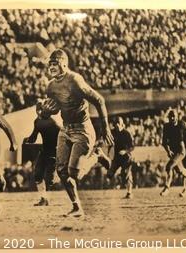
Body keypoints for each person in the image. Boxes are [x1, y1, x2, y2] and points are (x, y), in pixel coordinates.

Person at [42, 48, 114, 217]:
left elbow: (99, 100)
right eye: (49, 64)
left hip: (83, 128)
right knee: (62, 172)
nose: (51, 67)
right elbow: (53, 109)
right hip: (66, 129)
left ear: (64, 63)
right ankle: (77, 207)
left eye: (55, 63)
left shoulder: (75, 80)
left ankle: (96, 155)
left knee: (75, 173)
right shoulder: (51, 86)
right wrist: (44, 113)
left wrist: (106, 128)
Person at [23, 100, 60, 206]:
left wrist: (60, 150)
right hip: (44, 151)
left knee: (50, 179)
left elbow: (61, 135)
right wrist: (27, 139)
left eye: (40, 110)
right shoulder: (37, 121)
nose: (38, 112)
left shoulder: (52, 123)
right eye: (37, 110)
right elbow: (34, 137)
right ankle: (44, 199)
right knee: (38, 175)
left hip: (54, 151)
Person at [160, 110, 186, 197]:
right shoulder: (166, 126)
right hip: (173, 151)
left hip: (181, 150)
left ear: (177, 117)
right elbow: (164, 142)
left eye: (174, 116)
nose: (172, 118)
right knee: (180, 170)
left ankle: (167, 187)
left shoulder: (181, 124)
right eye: (170, 116)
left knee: (169, 166)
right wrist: (168, 151)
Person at [106, 116, 135, 199]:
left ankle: (129, 192)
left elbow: (132, 147)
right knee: (109, 174)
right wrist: (108, 152)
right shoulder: (113, 132)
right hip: (117, 157)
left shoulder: (127, 133)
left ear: (122, 124)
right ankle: (111, 187)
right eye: (115, 124)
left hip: (126, 157)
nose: (117, 125)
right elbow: (108, 140)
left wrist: (125, 151)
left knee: (126, 174)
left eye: (118, 123)